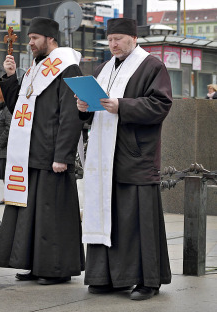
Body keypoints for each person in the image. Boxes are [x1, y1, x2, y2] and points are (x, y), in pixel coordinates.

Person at [77, 18, 172, 301]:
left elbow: (161, 105)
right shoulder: (103, 68)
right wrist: (83, 107)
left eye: (118, 38)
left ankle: (147, 281)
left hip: (135, 157)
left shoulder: (152, 66)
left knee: (138, 222)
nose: (113, 44)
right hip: (105, 157)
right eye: (110, 39)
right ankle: (106, 277)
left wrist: (123, 106)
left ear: (133, 38)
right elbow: (94, 110)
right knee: (107, 217)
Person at [0, 17, 85, 285]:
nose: (29, 43)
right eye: (29, 38)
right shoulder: (36, 67)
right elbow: (18, 108)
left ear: (50, 39)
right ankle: (34, 263)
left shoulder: (67, 67)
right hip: (29, 154)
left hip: (51, 155)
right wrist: (10, 78)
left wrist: (63, 156)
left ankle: (56, 269)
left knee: (52, 215)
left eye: (34, 38)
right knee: (31, 214)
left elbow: (71, 115)